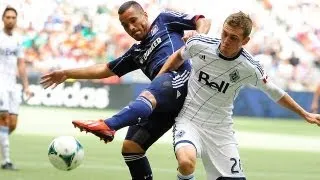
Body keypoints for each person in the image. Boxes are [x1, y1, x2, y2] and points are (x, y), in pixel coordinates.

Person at [40, 1, 211, 179]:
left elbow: (202, 20)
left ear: (144, 14)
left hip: (182, 80)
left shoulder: (164, 20)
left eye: (133, 20)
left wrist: (199, 38)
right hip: (165, 100)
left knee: (154, 90)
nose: (131, 27)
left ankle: (109, 125)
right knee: (131, 148)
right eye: (125, 25)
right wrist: (67, 73)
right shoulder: (135, 52)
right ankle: (111, 126)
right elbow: (105, 69)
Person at [157, 11, 320, 180]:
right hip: (189, 120)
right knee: (186, 162)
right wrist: (157, 83)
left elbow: (275, 92)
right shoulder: (199, 44)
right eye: (224, 34)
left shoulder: (250, 68)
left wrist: (305, 114)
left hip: (220, 130)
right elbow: (178, 56)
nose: (226, 41)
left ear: (245, 41)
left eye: (233, 38)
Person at [0, 6, 31, 170]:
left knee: (12, 124)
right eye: (8, 17)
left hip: (13, 85)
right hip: (0, 85)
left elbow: (21, 64)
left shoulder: (18, 39)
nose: (10, 20)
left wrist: (26, 86)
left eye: (13, 17)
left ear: (16, 20)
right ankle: (7, 161)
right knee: (3, 119)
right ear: (3, 19)